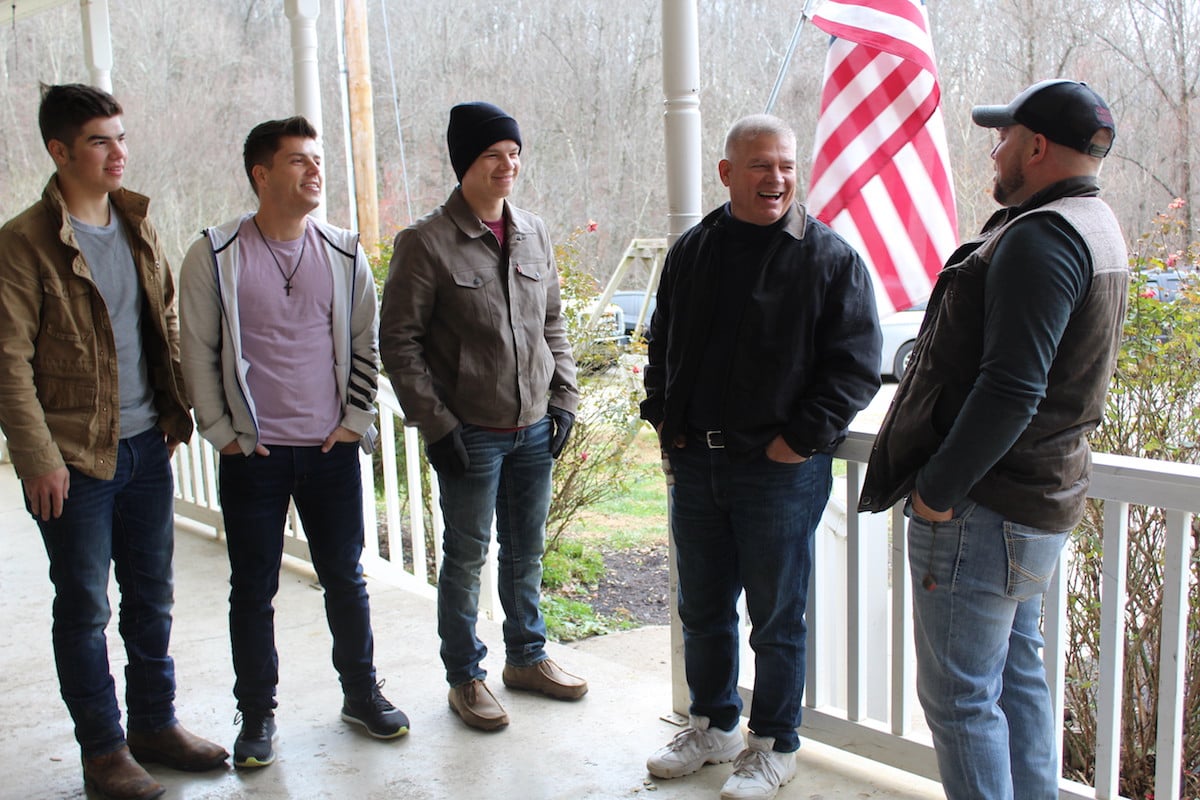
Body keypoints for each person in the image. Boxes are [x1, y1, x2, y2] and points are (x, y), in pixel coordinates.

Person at [858, 80, 1128, 800]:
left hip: (988, 507)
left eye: (1004, 135)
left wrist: (939, 492)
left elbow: (1013, 388)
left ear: (1037, 146)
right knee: (1014, 679)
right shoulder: (1095, 225)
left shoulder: (1041, 237)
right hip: (1038, 497)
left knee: (960, 698)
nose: (994, 148)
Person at [641, 114, 882, 800]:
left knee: (777, 616)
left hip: (778, 472)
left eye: (785, 165)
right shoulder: (693, 250)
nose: (776, 178)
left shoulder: (828, 257)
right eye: (759, 166)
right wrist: (665, 416)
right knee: (704, 606)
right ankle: (713, 726)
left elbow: (856, 365)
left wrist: (798, 441)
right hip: (696, 464)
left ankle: (774, 743)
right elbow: (663, 344)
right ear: (726, 173)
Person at [0, 84, 228, 800]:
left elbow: (160, 320)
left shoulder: (137, 224)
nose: (118, 152)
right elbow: (7, 359)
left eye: (121, 137)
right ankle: (103, 751)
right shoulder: (22, 243)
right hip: (74, 459)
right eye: (100, 141)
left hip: (144, 447)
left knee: (152, 598)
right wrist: (37, 458)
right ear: (60, 151)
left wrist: (175, 412)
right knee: (85, 607)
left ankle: (154, 725)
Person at [178, 116, 408, 769]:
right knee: (252, 589)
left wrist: (356, 420)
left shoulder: (343, 250)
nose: (315, 171)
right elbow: (196, 350)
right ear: (262, 173)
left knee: (345, 579)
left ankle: (361, 695)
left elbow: (367, 340)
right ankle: (256, 716)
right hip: (255, 455)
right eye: (299, 160)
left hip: (330, 451)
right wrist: (221, 434)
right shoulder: (215, 255)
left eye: (318, 159)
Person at [379, 101, 586, 732]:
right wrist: (437, 426)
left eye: (515, 154)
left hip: (533, 428)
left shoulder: (534, 232)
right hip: (470, 432)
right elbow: (400, 344)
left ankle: (526, 657)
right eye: (494, 155)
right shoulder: (426, 242)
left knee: (525, 552)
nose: (509, 166)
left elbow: (552, 320)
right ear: (465, 162)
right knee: (467, 556)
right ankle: (464, 677)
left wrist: (565, 398)